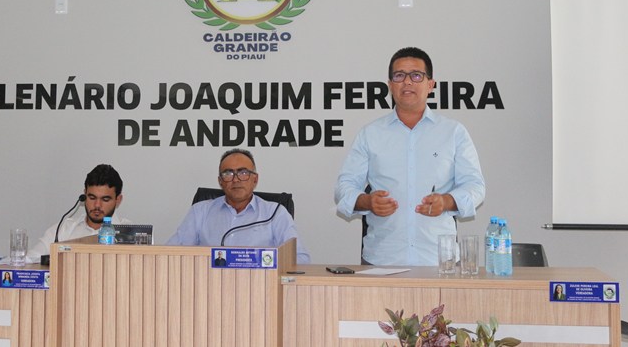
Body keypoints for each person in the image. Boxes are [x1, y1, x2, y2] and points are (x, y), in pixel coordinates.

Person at [334, 47, 485, 266]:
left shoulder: (453, 132)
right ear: (390, 85)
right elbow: (344, 186)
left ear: (430, 84)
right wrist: (367, 201)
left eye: (416, 75)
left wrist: (447, 201)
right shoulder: (370, 134)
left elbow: (475, 186)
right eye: (399, 75)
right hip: (382, 259)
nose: (407, 82)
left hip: (440, 260)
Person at [167, 148, 311, 264]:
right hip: (207, 285)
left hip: (260, 286)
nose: (236, 180)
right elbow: (170, 254)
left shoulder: (275, 213)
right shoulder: (200, 212)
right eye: (228, 173)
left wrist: (256, 261)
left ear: (255, 179)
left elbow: (300, 259)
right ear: (220, 181)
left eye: (243, 172)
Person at [28, 164, 131, 259]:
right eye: (92, 198)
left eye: (105, 199)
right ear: (84, 195)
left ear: (118, 200)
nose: (97, 205)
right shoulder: (63, 229)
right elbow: (29, 260)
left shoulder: (129, 234)